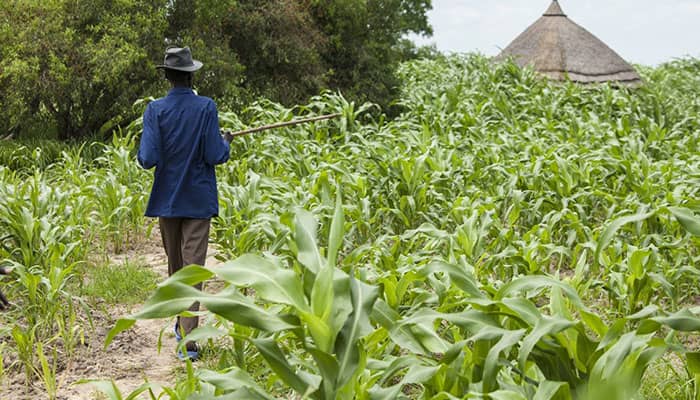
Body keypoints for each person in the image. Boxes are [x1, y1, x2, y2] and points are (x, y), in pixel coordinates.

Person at [137, 46, 233, 360]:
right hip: (198, 199)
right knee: (192, 269)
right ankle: (187, 333)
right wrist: (225, 141)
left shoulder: (154, 110)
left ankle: (187, 335)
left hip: (167, 201)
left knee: (177, 267)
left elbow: (147, 159)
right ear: (191, 74)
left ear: (167, 76)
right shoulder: (206, 108)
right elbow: (214, 155)